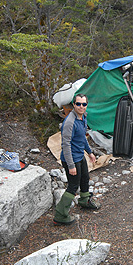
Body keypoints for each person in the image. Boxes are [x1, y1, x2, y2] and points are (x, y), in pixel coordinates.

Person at [53, 93, 100, 225]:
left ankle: (84, 201)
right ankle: (60, 215)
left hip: (80, 156)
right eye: (78, 104)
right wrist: (71, 165)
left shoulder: (83, 117)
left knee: (85, 178)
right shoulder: (69, 122)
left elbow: (82, 138)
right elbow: (65, 145)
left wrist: (90, 152)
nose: (81, 106)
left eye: (83, 104)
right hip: (71, 159)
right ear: (74, 104)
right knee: (73, 185)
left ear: (86, 105)